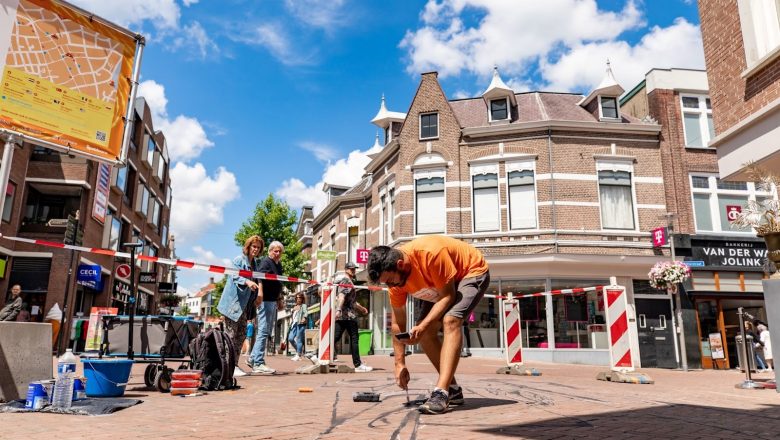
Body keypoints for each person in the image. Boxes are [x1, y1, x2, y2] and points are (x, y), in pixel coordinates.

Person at [368, 235, 490, 415]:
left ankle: (441, 393)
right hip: (438, 284)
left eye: (391, 280)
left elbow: (448, 296)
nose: (391, 285)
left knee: (451, 320)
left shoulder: (430, 253)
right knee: (425, 334)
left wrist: (423, 325)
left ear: (401, 264)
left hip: (469, 272)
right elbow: (398, 323)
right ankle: (453, 390)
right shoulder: (395, 283)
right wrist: (399, 364)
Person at [217, 235, 264, 377]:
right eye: (253, 246)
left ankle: (234, 365)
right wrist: (247, 282)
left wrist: (258, 295)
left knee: (242, 334)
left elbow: (259, 279)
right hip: (233, 304)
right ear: (248, 247)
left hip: (244, 306)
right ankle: (226, 366)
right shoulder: (239, 260)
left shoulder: (255, 264)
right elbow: (233, 275)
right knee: (230, 335)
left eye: (258, 247)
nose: (255, 249)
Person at [250, 241, 286, 374]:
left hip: (272, 301)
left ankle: (253, 358)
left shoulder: (279, 264)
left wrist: (279, 299)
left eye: (279, 251)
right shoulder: (266, 262)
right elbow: (259, 277)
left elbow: (279, 282)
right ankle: (258, 362)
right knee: (264, 330)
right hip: (265, 301)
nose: (277, 254)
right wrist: (260, 293)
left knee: (266, 330)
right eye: (275, 251)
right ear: (270, 251)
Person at [334, 261, 372, 372]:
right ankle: (358, 365)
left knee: (335, 337)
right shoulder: (346, 280)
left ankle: (316, 354)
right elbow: (341, 296)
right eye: (351, 269)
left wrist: (362, 309)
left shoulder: (349, 281)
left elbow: (353, 302)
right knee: (354, 339)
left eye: (354, 269)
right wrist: (338, 310)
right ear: (346, 269)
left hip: (344, 316)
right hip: (348, 316)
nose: (353, 271)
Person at [288, 293, 308, 361]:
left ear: (302, 299)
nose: (298, 299)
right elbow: (293, 316)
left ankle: (298, 355)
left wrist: (304, 318)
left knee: (299, 339)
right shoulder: (294, 306)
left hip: (300, 324)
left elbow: (305, 313)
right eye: (297, 298)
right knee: (290, 338)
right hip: (294, 325)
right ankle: (299, 352)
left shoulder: (303, 306)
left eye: (300, 298)